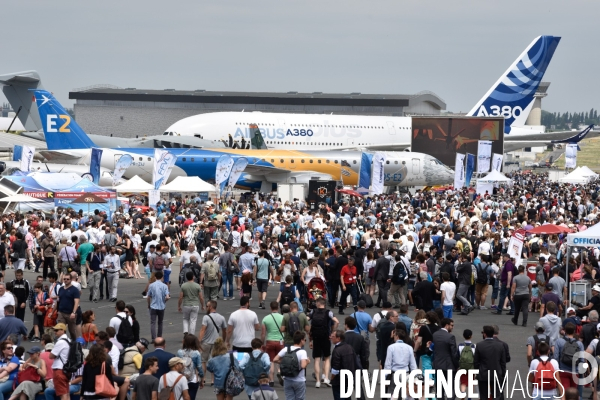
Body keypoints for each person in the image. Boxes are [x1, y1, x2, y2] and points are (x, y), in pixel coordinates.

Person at [308, 297, 338, 388]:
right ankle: (326, 378)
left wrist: (310, 334)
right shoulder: (328, 312)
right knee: (327, 358)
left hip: (316, 337)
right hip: (326, 337)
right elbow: (336, 321)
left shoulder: (313, 312)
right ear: (324, 304)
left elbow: (307, 319)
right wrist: (333, 332)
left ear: (318, 303)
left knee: (317, 359)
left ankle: (317, 381)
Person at [273, 331, 310, 400]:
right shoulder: (302, 352)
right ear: (301, 340)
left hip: (287, 379)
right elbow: (303, 366)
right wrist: (307, 362)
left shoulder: (286, 349)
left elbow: (275, 359)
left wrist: (284, 362)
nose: (305, 341)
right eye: (305, 339)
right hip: (299, 380)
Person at [198, 300, 227, 385]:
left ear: (210, 307)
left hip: (205, 342)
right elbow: (224, 330)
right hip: (216, 343)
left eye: (207, 306)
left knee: (203, 360)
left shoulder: (206, 317)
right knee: (214, 360)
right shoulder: (221, 317)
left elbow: (203, 330)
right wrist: (224, 340)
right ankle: (213, 380)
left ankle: (203, 378)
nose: (206, 308)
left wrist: (199, 341)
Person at [475, 326, 507, 400]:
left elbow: (476, 361)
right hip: (496, 373)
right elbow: (503, 362)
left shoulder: (479, 345)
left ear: (485, 334)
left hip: (483, 374)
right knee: (496, 395)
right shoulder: (500, 345)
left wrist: (477, 372)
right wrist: (503, 374)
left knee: (483, 396)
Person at [553, 322, 584, 399]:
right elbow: (582, 359)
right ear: (574, 331)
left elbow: (556, 356)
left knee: (564, 394)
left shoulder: (559, 341)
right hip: (575, 372)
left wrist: (557, 370)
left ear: (565, 330)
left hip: (563, 370)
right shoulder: (579, 344)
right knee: (573, 395)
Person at [261, 301, 285, 387]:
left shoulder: (265, 319)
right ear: (278, 307)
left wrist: (262, 343)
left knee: (271, 361)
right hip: (280, 341)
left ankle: (271, 380)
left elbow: (263, 333)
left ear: (271, 308)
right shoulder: (283, 317)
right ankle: (280, 372)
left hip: (270, 341)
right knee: (280, 360)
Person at [432, 318, 457, 400]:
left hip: (438, 364)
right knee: (450, 388)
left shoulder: (435, 334)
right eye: (451, 325)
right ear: (447, 325)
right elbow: (453, 353)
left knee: (439, 389)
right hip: (448, 365)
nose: (452, 327)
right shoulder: (451, 337)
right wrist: (457, 365)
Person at [330, 330, 359, 400]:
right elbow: (355, 362)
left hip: (339, 380)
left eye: (333, 336)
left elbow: (335, 368)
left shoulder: (337, 350)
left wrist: (332, 377)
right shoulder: (349, 347)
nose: (331, 337)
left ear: (338, 338)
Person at [176, 334, 204, 400]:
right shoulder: (196, 353)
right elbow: (199, 367)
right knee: (192, 397)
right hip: (193, 379)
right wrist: (202, 378)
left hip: (182, 378)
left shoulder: (179, 352)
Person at [49, 323, 71, 400]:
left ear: (63, 331)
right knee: (66, 392)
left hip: (59, 370)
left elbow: (51, 356)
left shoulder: (60, 342)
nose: (55, 332)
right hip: (66, 369)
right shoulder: (69, 340)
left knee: (62, 394)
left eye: (57, 330)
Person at [54, 274, 79, 340]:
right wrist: (53, 311)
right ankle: (61, 342)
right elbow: (58, 301)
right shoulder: (61, 289)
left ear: (71, 280)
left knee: (72, 331)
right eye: (64, 279)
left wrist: (73, 312)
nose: (66, 280)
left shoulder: (74, 290)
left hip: (70, 313)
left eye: (67, 279)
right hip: (61, 312)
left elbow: (76, 302)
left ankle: (74, 344)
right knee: (60, 329)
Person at [147, 271, 170, 340]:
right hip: (161, 306)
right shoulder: (165, 286)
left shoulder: (151, 285)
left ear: (155, 277)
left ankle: (154, 338)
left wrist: (148, 304)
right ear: (162, 277)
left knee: (153, 323)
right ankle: (159, 337)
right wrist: (164, 301)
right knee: (160, 322)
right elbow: (167, 296)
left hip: (153, 306)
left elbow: (148, 296)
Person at [179, 271, 203, 336]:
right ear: (193, 277)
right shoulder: (197, 286)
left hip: (186, 304)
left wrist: (179, 306)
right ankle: (191, 334)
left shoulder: (183, 286)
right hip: (195, 304)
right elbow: (201, 297)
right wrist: (203, 305)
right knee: (193, 320)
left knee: (185, 319)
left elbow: (181, 297)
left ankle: (185, 331)